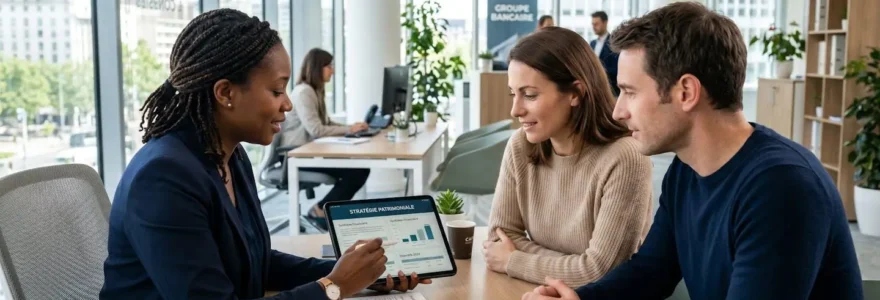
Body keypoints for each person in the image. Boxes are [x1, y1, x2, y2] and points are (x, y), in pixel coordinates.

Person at [522, 3, 863, 300]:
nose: (618, 111)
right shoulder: (687, 170)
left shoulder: (781, 187)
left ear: (686, 91)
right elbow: (651, 272)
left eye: (629, 92)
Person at [101, 9, 429, 299]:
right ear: (225, 92)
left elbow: (257, 262)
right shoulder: (163, 179)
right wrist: (335, 286)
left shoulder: (230, 157)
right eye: (276, 90)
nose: (287, 104)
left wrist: (354, 274)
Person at [482, 27, 653, 287]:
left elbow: (600, 272)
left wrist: (514, 260)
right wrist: (573, 265)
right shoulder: (521, 145)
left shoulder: (625, 158)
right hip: (537, 291)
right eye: (513, 94)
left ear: (575, 93)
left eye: (529, 95)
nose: (515, 110)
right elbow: (499, 239)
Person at [280, 47, 371, 231]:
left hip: (308, 152)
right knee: (357, 171)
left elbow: (325, 122)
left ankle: (323, 209)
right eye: (329, 66)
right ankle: (320, 210)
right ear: (316, 68)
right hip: (295, 155)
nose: (333, 70)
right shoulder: (304, 92)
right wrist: (348, 129)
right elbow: (316, 129)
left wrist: (351, 128)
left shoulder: (314, 91)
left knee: (358, 169)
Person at [589, 11, 619, 96]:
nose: (594, 27)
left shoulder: (613, 43)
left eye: (596, 24)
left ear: (605, 23)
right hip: (594, 88)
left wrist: (599, 72)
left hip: (610, 89)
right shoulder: (592, 43)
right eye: (592, 24)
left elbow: (616, 68)